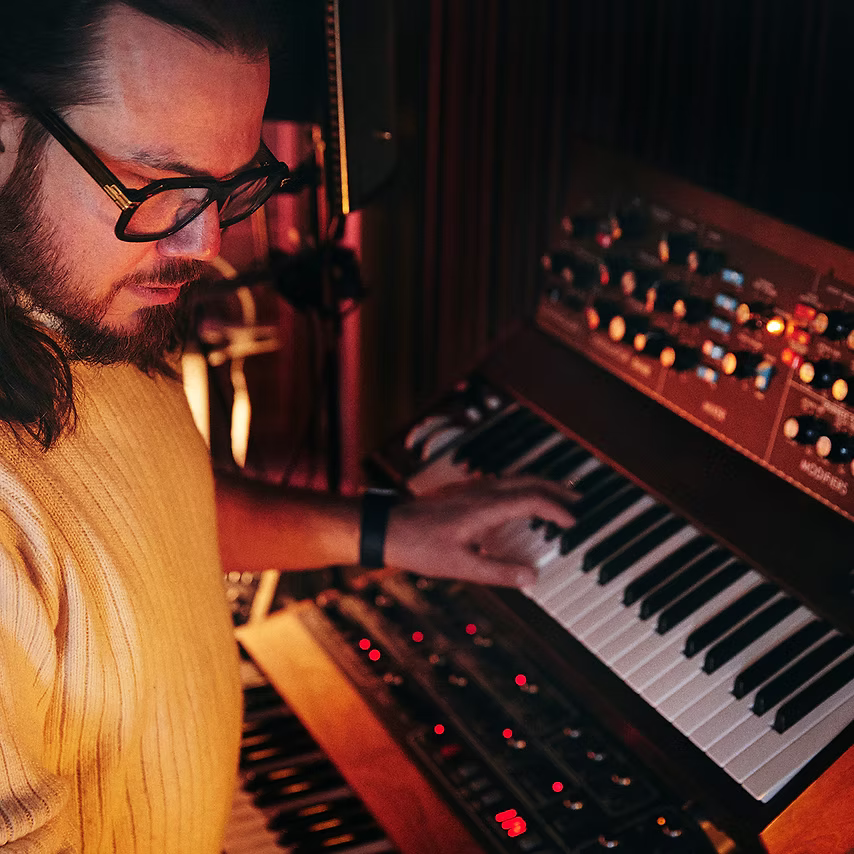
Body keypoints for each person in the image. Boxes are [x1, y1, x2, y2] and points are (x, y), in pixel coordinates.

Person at [0, 1, 575, 851]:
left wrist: (388, 530)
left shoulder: (79, 295)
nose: (203, 244)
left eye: (231, 187)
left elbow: (147, 514)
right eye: (161, 188)